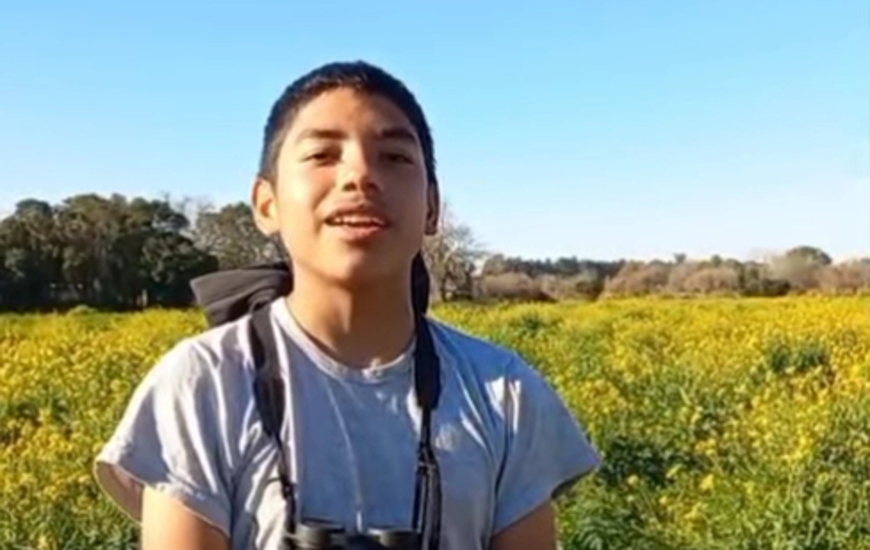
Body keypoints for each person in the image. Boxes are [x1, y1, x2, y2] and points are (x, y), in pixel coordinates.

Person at [93, 60, 601, 550]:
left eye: (395, 157)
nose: (359, 176)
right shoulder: (203, 384)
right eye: (322, 155)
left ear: (431, 207)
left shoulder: (503, 392)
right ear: (266, 204)